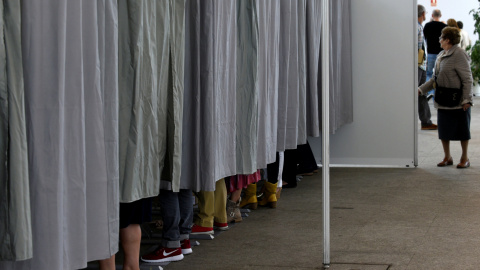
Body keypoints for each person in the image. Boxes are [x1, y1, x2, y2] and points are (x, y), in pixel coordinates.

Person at [418, 27, 474, 168]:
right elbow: (434, 80)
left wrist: (467, 99)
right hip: (443, 99)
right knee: (444, 131)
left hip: (458, 101)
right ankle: (447, 157)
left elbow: (467, 79)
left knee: (462, 131)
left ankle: (465, 158)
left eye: (441, 37)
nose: (439, 39)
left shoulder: (460, 54)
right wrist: (420, 89)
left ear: (447, 39)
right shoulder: (441, 54)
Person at [417, 5, 437, 130]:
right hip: (418, 65)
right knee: (418, 92)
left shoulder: (420, 27)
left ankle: (426, 121)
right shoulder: (415, 27)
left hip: (422, 65)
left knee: (422, 92)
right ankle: (425, 121)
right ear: (423, 13)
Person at [423, 9, 447, 82]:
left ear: (432, 15)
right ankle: (439, 91)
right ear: (441, 15)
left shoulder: (427, 25)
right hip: (442, 53)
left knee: (429, 73)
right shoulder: (445, 27)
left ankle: (430, 92)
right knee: (441, 74)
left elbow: (424, 37)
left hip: (430, 53)